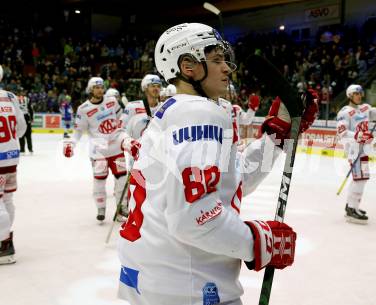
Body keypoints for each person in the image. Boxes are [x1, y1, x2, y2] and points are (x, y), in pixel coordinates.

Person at [117, 23, 303, 305]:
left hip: (159, 277)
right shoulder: (198, 112)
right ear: (188, 66)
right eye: (216, 60)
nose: (227, 68)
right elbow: (195, 219)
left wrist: (275, 138)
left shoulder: (175, 111)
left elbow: (234, 179)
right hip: (190, 285)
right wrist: (257, 242)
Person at [63, 77, 140, 222]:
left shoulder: (112, 101)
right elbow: (78, 131)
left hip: (116, 150)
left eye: (101, 87)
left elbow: (121, 120)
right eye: (96, 87)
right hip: (98, 152)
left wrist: (126, 139)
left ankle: (121, 208)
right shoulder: (83, 109)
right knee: (99, 180)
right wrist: (71, 144)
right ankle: (101, 208)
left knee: (122, 180)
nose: (100, 89)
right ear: (90, 90)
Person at [336, 82, 376, 224]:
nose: (358, 96)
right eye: (355, 94)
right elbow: (342, 133)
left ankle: (351, 206)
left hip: (364, 150)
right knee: (360, 179)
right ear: (349, 96)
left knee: (360, 179)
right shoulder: (344, 112)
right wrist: (358, 136)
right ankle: (352, 209)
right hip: (354, 151)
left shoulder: (365, 108)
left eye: (360, 93)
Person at [0, 65, 27, 264]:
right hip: (11, 156)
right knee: (7, 198)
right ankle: (5, 236)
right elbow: (22, 126)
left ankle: (4, 244)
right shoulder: (10, 96)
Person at [17, 87, 33, 154]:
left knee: (21, 133)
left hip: (20, 117)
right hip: (26, 117)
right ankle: (30, 149)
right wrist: (31, 118)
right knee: (28, 134)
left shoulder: (15, 99)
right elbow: (31, 109)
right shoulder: (27, 99)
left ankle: (22, 150)